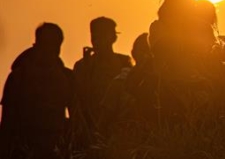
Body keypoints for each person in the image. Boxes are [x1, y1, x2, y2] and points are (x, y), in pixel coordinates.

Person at [1, 23, 74, 159]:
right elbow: (7, 122)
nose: (50, 50)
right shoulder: (18, 77)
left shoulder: (66, 77)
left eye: (54, 45)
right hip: (24, 148)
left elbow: (77, 118)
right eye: (46, 44)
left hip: (56, 148)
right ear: (36, 44)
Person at [72, 17, 133, 142]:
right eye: (94, 34)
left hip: (118, 129)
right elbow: (78, 97)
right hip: (89, 130)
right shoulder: (82, 65)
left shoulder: (123, 62)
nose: (96, 39)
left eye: (101, 34)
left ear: (112, 37)